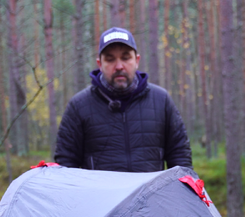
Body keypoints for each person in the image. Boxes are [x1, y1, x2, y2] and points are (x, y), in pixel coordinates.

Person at [53, 27, 192, 172]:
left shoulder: (161, 101)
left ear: (136, 60)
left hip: (152, 188)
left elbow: (181, 159)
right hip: (101, 188)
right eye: (110, 59)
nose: (119, 66)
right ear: (100, 64)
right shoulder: (79, 106)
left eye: (125, 58)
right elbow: (65, 167)